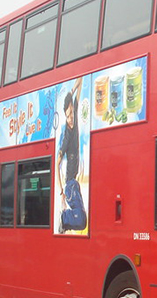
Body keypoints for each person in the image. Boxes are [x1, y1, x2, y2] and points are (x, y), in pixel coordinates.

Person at [57, 77, 87, 233]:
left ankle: (65, 220)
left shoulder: (74, 112)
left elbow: (80, 80)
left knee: (83, 219)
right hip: (70, 184)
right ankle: (63, 218)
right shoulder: (66, 137)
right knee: (82, 220)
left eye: (71, 114)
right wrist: (62, 190)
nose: (71, 118)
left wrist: (71, 92)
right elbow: (57, 163)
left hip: (74, 182)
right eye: (67, 115)